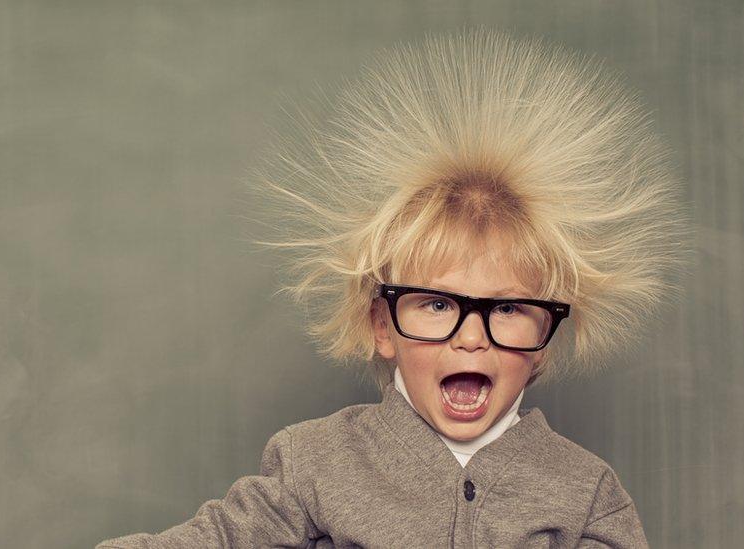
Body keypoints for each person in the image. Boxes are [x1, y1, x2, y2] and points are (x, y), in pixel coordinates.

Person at [97, 26, 691, 548]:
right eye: (437, 304)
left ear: (546, 338)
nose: (471, 339)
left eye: (507, 308)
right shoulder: (316, 463)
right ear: (383, 325)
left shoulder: (587, 494)